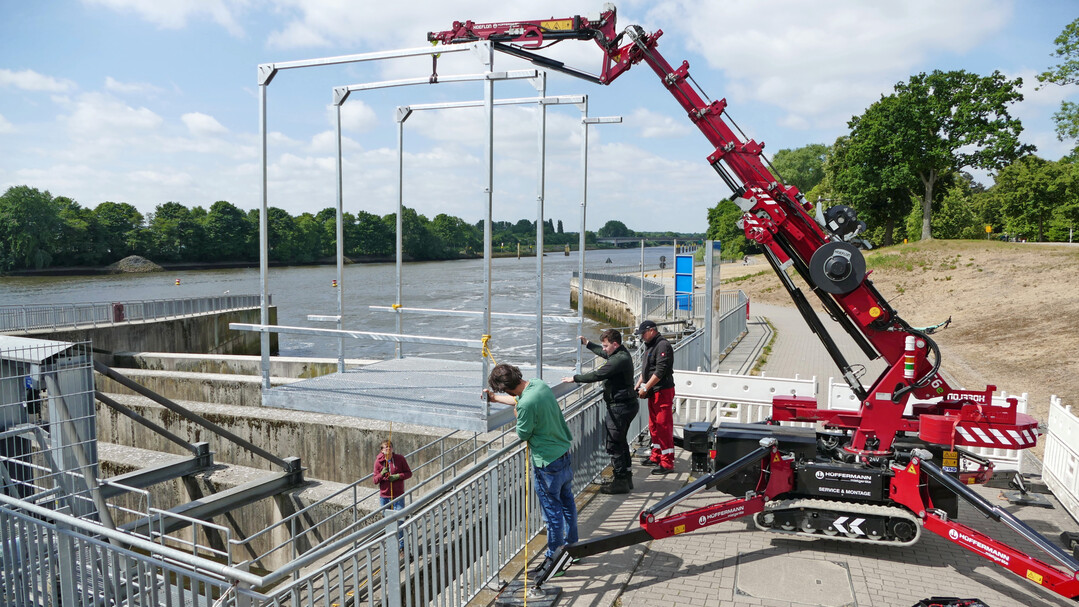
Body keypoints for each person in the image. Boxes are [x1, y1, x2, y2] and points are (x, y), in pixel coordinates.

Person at [485, 363, 578, 573]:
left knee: (552, 514)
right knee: (567, 503)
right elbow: (521, 399)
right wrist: (495, 398)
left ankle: (554, 560)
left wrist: (517, 414)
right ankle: (573, 549)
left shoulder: (525, 405)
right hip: (563, 453)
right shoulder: (538, 385)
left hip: (547, 463)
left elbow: (523, 433)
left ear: (507, 388)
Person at [561, 329, 638, 494]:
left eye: (605, 345)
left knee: (614, 444)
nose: (603, 349)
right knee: (621, 442)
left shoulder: (619, 359)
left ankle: (620, 482)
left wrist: (575, 378)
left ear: (614, 344)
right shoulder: (619, 353)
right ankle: (626, 477)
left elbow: (598, 375)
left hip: (620, 407)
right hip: (626, 405)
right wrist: (588, 344)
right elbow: (604, 354)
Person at [635, 320, 676, 474]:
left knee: (663, 426)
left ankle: (667, 462)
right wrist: (639, 384)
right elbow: (646, 369)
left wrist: (646, 387)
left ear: (651, 330)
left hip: (662, 391)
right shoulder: (650, 345)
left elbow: (660, 371)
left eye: (643, 333)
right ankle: (656, 455)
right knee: (654, 425)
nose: (642, 337)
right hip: (653, 391)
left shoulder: (663, 345)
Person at [373, 439, 413, 552]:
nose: (388, 448)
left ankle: (402, 546)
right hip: (385, 496)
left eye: (390, 446)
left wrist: (397, 476)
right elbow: (375, 480)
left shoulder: (400, 459)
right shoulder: (378, 462)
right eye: (385, 447)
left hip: (398, 495)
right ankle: (392, 546)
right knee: (388, 521)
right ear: (382, 450)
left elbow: (409, 473)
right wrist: (381, 474)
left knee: (399, 520)